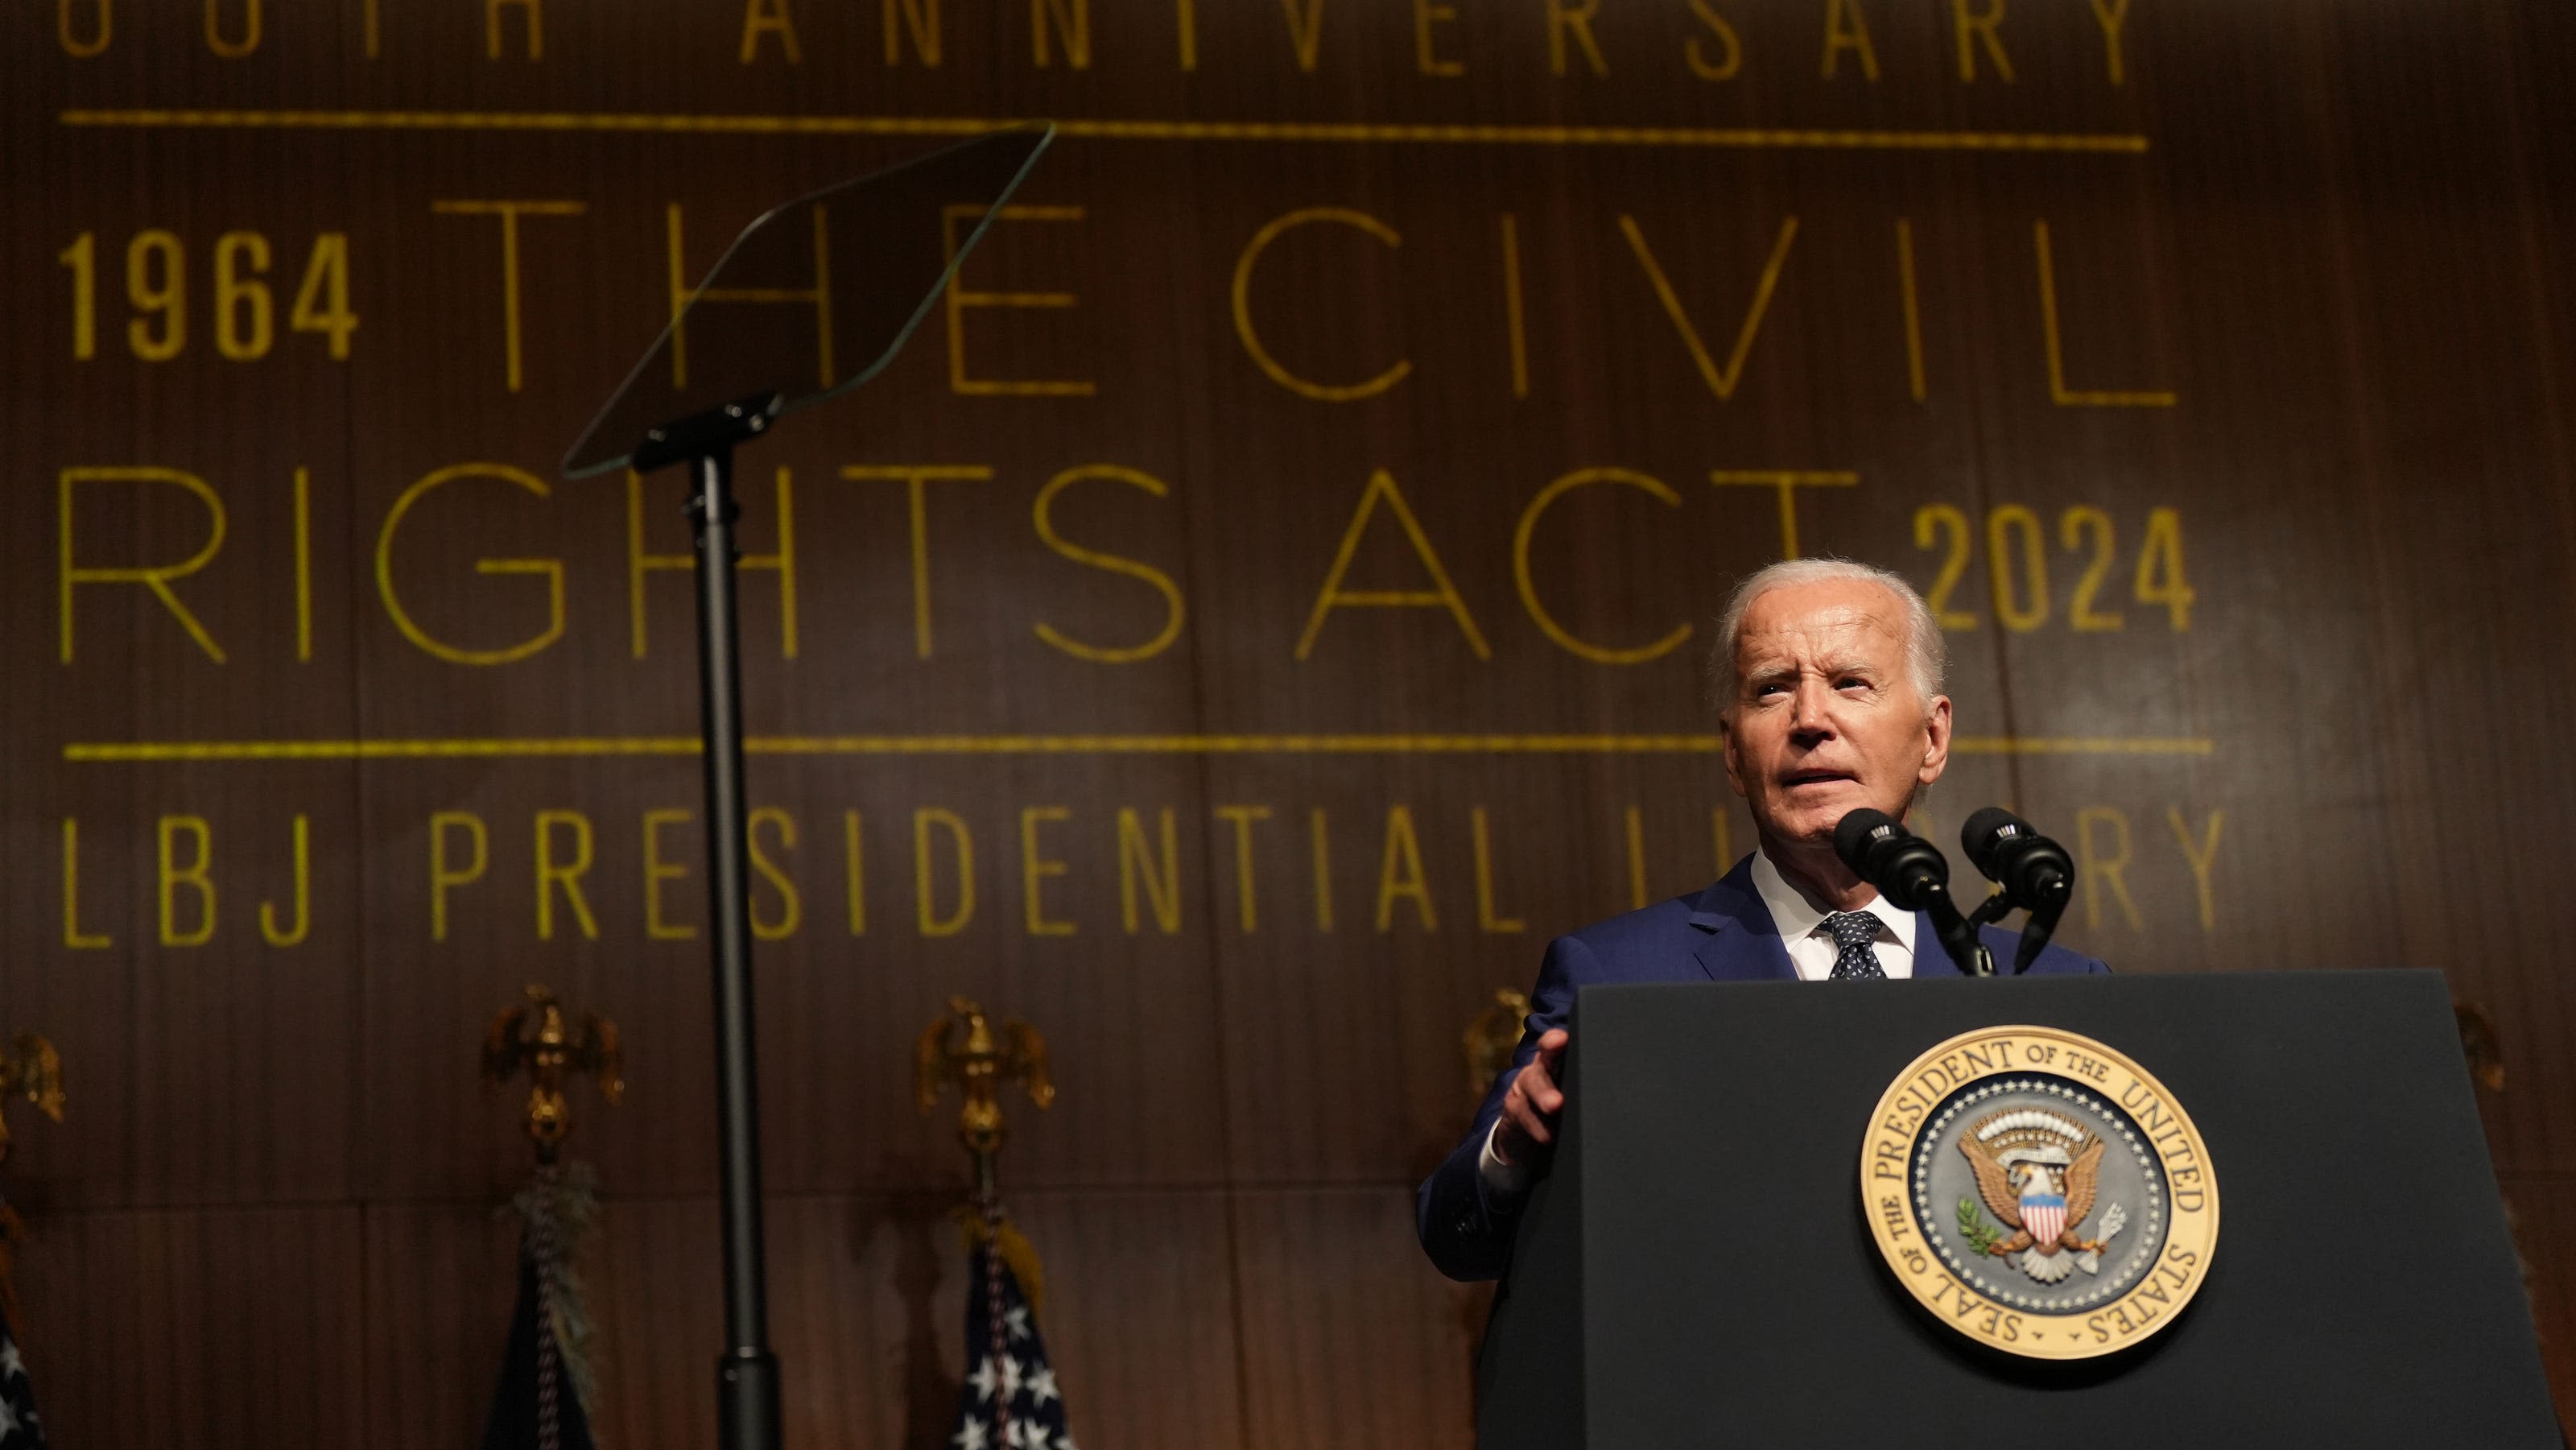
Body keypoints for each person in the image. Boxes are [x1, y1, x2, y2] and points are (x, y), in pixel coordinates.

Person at [1415, 558, 2110, 1282]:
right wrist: (1512, 1149)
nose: (1810, 720)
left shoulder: (2054, 988)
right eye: (1772, 689)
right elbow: (1455, 1234)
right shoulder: (1616, 975)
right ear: (1731, 751)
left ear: (1933, 738)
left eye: (1850, 683)